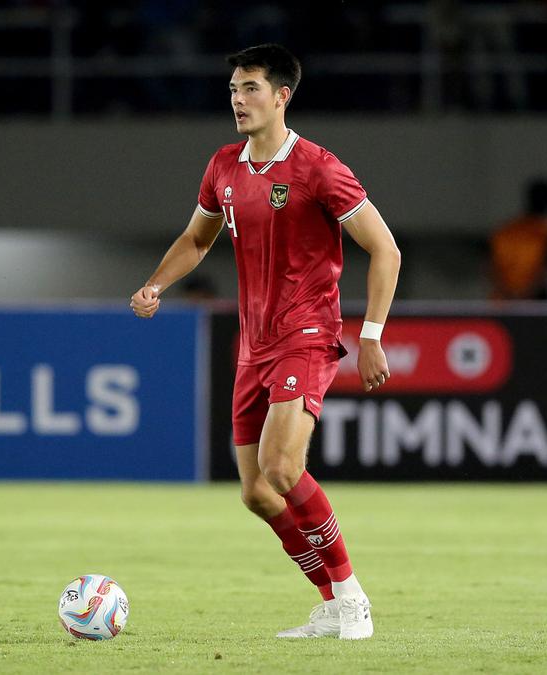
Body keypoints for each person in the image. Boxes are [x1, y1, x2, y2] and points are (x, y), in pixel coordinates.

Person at [130, 43, 400, 640]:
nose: (237, 100)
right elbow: (197, 241)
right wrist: (155, 284)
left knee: (281, 466)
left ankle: (352, 597)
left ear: (282, 96)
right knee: (255, 492)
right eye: (232, 89)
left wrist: (372, 335)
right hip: (253, 345)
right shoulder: (224, 166)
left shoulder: (318, 168)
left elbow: (385, 248)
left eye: (250, 88)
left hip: (306, 333)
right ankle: (331, 601)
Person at [489, 177, 547, 301]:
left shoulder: (504, 230)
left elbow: (488, 266)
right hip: (534, 304)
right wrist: (523, 295)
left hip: (503, 300)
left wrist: (507, 292)